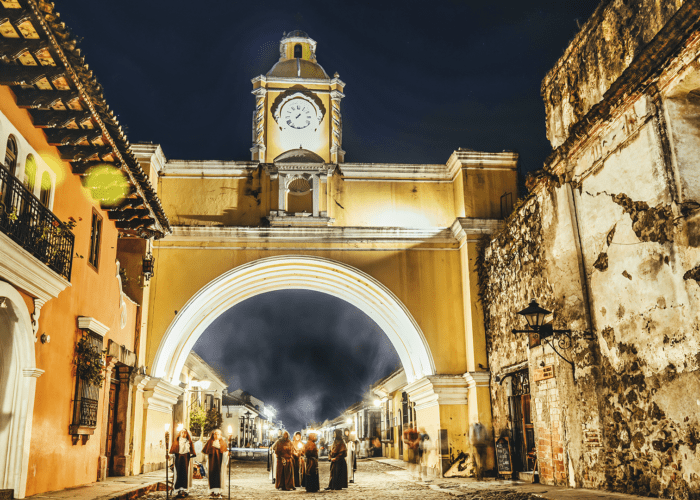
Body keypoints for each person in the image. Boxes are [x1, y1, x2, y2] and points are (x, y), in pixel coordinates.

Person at [169, 428, 196, 498]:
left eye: (185, 433)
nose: (184, 434)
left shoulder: (188, 442)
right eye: (182, 433)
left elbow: (191, 452)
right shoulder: (176, 442)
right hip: (178, 459)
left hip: (186, 460)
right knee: (178, 474)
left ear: (187, 434)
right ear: (180, 434)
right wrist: (169, 456)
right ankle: (178, 490)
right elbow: (173, 452)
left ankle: (184, 490)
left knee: (185, 474)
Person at [201, 429, 229, 498]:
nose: (216, 435)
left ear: (220, 435)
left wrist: (227, 454)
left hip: (220, 463)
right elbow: (206, 452)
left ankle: (219, 492)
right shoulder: (210, 442)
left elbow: (225, 452)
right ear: (213, 435)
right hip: (212, 462)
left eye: (218, 434)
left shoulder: (223, 443)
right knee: (212, 475)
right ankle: (212, 492)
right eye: (215, 434)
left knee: (220, 476)